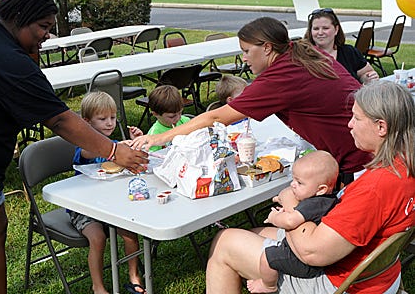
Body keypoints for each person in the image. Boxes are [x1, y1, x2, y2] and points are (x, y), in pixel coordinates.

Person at [0, 0, 147, 294]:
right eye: (42, 27)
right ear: (18, 17)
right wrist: (113, 150)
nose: (47, 36)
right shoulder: (8, 59)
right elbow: (59, 119)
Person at [206, 81, 415, 293]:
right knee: (256, 233)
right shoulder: (404, 166)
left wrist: (290, 203)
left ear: (381, 127)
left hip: (340, 283)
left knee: (225, 243)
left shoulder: (376, 187)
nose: (349, 124)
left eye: (356, 118)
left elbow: (312, 254)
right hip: (380, 276)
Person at [132, 17, 372, 185]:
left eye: (247, 51)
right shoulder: (300, 52)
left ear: (267, 48)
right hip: (373, 140)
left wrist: (157, 138)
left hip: (360, 157)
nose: (244, 58)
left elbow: (217, 116)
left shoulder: (280, 76)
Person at [69, 92, 145, 294]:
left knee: (130, 233)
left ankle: (134, 276)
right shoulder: (84, 147)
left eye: (112, 117)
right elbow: (92, 152)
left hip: (111, 204)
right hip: (84, 207)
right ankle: (98, 287)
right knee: (98, 237)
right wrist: (117, 148)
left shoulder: (116, 145)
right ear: (86, 122)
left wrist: (136, 142)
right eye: (102, 119)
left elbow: (135, 162)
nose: (110, 123)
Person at [247, 150, 339, 293]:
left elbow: (290, 221)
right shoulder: (326, 200)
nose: (293, 184)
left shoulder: (314, 204)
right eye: (294, 179)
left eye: (299, 183)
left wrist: (274, 218)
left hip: (301, 262)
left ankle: (269, 285)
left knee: (267, 257)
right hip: (312, 256)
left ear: (321, 189)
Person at [304, 8, 379, 84]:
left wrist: (367, 78)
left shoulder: (349, 52)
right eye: (316, 29)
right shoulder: (303, 56)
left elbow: (366, 72)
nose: (320, 32)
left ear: (336, 29)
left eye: (325, 28)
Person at [146, 85, 191, 152]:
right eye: (172, 116)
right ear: (156, 114)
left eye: (180, 113)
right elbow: (153, 156)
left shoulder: (185, 121)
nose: (178, 118)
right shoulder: (154, 135)